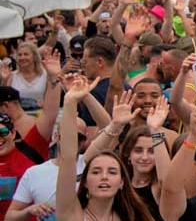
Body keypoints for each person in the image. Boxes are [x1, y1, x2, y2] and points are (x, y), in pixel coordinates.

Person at [57, 73, 157, 221]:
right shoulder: (72, 214)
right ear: (85, 182)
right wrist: (70, 101)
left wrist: (155, 130)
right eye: (96, 172)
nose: (104, 177)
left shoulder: (133, 217)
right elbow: (68, 158)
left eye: (112, 172)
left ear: (122, 182)